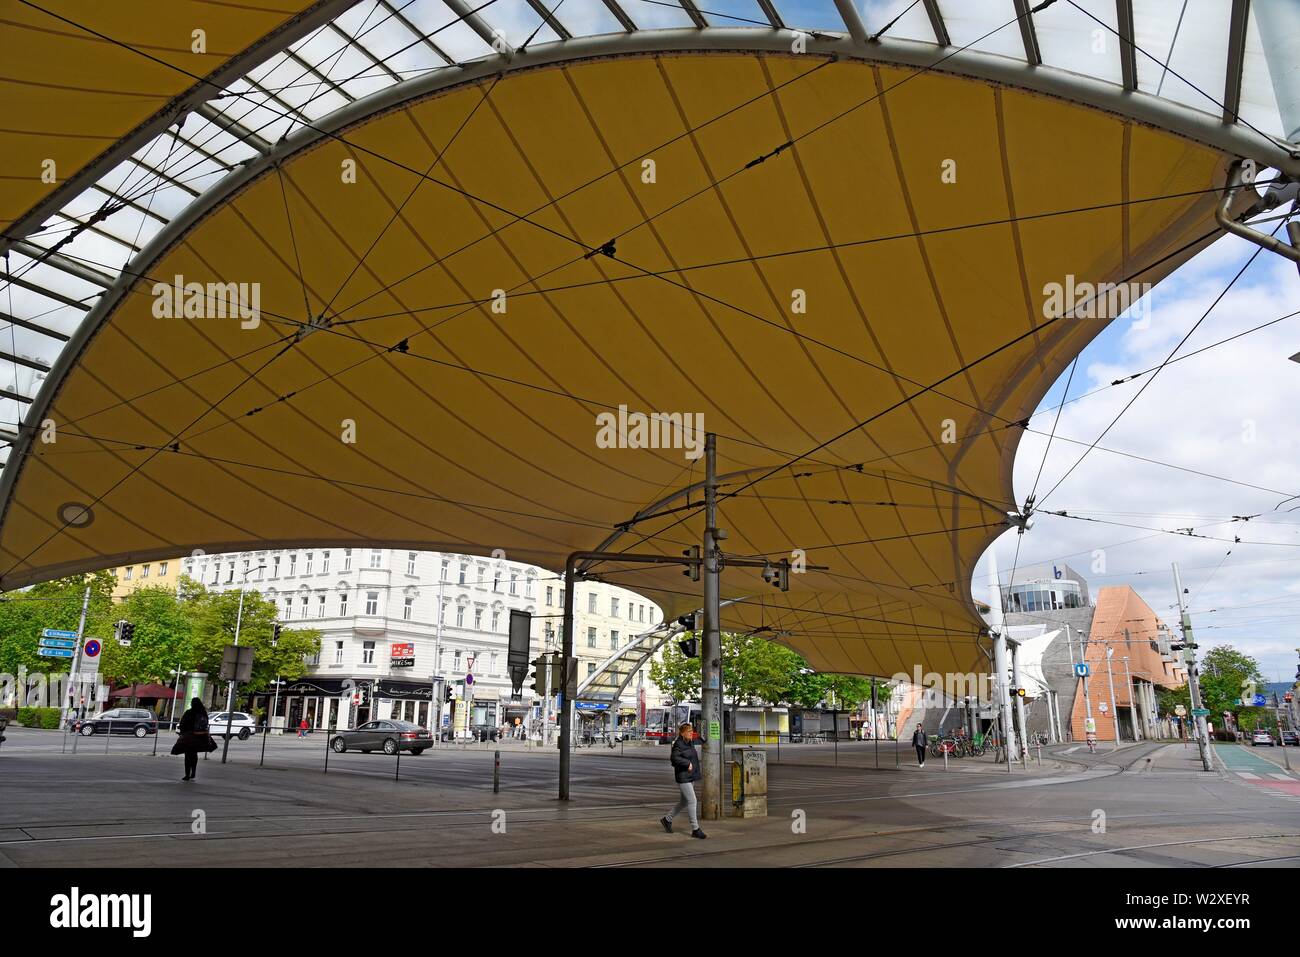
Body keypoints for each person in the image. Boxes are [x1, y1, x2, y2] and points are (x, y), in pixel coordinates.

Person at [660, 722, 707, 839]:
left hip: (690, 776)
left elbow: (699, 743)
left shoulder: (689, 742)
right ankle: (695, 829)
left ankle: (667, 819)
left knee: (684, 802)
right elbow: (674, 758)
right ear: (682, 733)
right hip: (683, 776)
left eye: (692, 731)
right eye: (689, 731)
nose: (691, 733)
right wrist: (687, 764)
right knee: (693, 801)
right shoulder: (678, 744)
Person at [172, 697, 212, 781]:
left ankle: (187, 774)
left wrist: (182, 733)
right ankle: (193, 772)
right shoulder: (203, 713)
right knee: (194, 755)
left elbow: (182, 723)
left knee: (188, 756)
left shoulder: (189, 712)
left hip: (189, 737)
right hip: (200, 737)